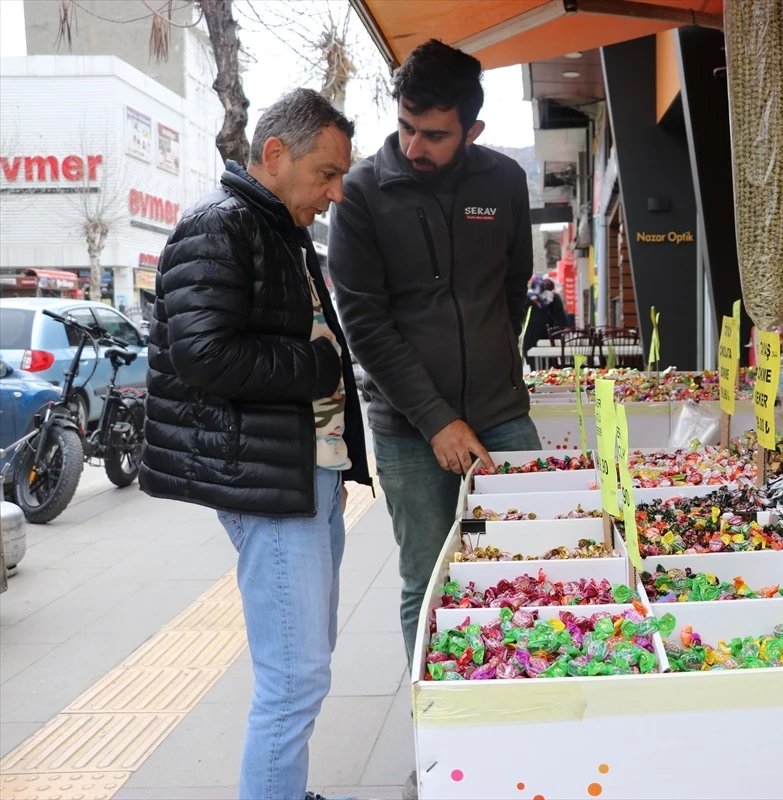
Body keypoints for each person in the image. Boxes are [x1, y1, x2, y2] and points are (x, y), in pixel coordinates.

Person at [139, 88, 371, 800]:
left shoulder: (275, 225)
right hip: (271, 483)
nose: (333, 195)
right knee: (295, 676)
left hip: (305, 474)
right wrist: (316, 365)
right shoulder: (221, 225)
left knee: (306, 662)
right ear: (275, 155)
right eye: (326, 174)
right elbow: (202, 354)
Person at [328, 39, 541, 667]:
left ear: (471, 129)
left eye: (435, 134)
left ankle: (525, 697)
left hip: (502, 414)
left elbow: (512, 291)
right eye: (404, 127)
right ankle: (440, 737)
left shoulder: (504, 181)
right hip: (405, 426)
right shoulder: (363, 191)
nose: (414, 147)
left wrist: (495, 371)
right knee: (428, 578)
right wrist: (437, 418)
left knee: (529, 556)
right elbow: (363, 323)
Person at [523, 276, 569, 368]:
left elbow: (521, 315)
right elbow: (562, 319)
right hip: (551, 337)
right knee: (550, 365)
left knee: (535, 366)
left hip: (532, 337)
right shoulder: (555, 298)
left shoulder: (529, 299)